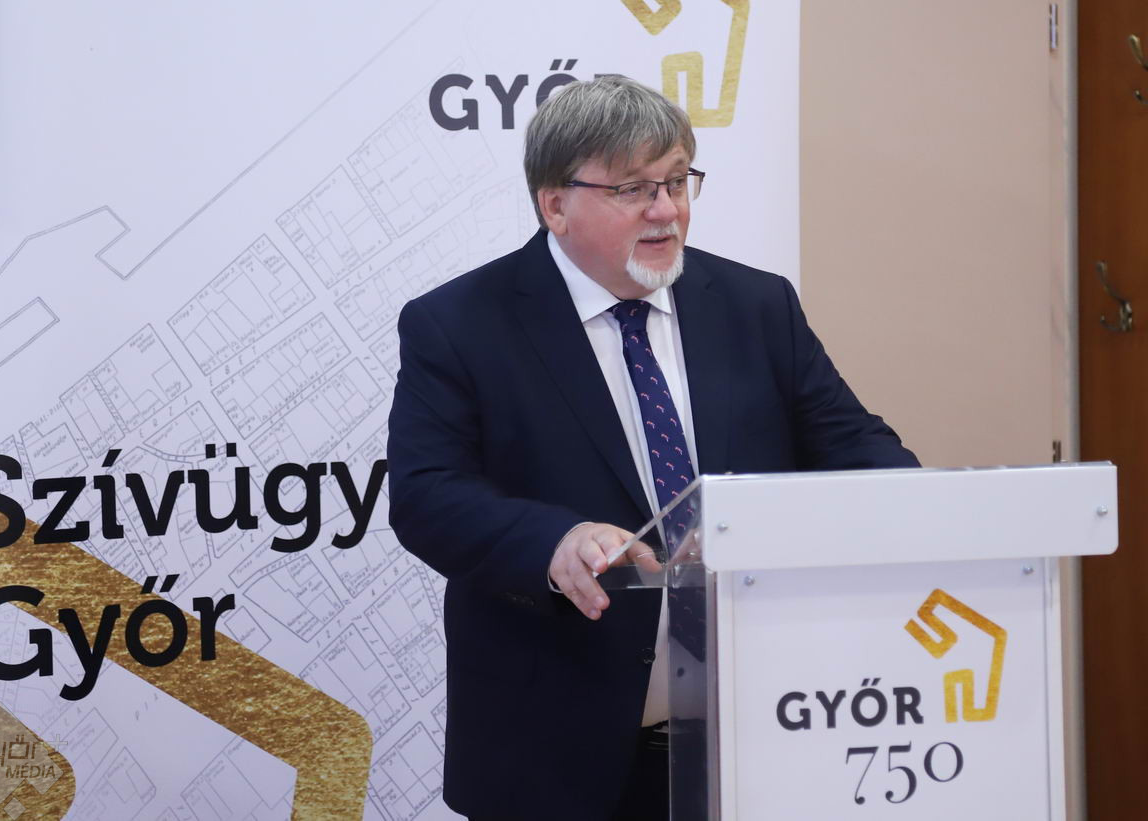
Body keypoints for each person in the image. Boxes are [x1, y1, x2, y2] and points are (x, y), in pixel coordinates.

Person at [387, 75, 918, 821]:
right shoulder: (460, 324)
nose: (666, 209)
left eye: (676, 180)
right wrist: (554, 540)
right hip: (558, 749)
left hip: (757, 734)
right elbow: (427, 495)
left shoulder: (756, 304)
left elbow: (853, 442)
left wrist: (923, 506)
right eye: (633, 189)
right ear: (555, 205)